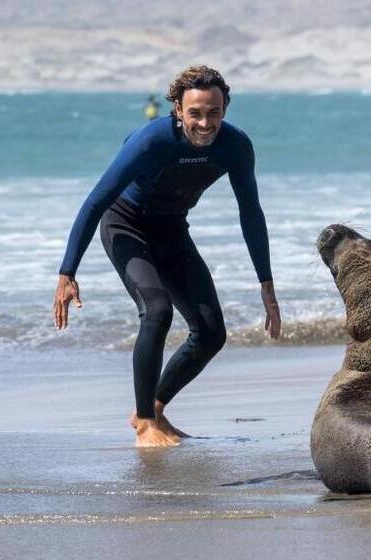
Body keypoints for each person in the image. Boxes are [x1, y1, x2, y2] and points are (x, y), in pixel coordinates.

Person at [53, 65, 281, 447]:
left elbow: (250, 213)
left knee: (210, 333)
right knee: (157, 310)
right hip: (125, 225)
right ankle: (145, 425)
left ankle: (154, 409)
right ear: (178, 108)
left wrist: (266, 285)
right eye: (195, 113)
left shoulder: (236, 146)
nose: (205, 123)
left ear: (225, 108)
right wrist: (67, 272)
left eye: (214, 113)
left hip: (171, 229)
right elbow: (96, 202)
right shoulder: (150, 142)